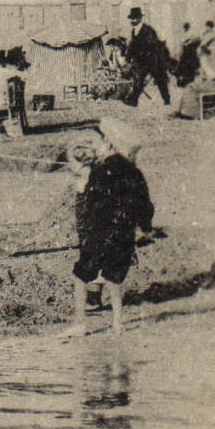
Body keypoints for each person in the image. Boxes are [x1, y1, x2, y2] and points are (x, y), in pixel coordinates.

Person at [65, 118, 154, 336]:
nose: (99, 146)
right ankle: (117, 324)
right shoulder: (135, 172)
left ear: (111, 145)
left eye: (102, 142)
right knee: (114, 278)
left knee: (80, 276)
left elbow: (91, 203)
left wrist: (81, 189)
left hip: (100, 233)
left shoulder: (100, 171)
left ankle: (80, 324)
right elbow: (145, 204)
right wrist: (145, 228)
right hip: (124, 233)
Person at [123, 8, 170, 107]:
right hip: (142, 61)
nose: (132, 21)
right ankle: (133, 102)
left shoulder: (148, 30)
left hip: (152, 60)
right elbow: (132, 46)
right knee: (139, 80)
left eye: (134, 18)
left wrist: (146, 53)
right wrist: (128, 58)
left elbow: (154, 44)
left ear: (140, 18)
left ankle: (167, 100)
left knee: (160, 80)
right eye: (131, 19)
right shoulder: (134, 31)